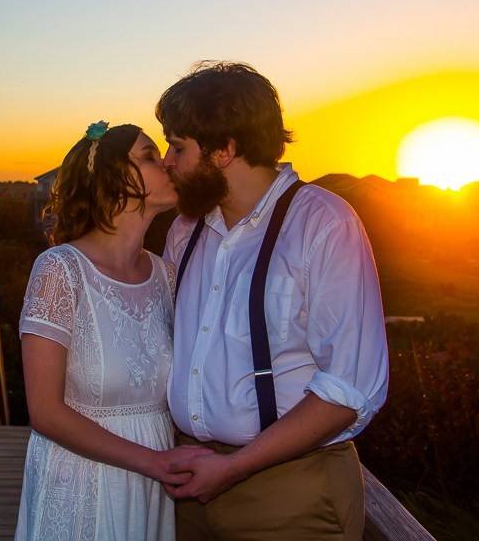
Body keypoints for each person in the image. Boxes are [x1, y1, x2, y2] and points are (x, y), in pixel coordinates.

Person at [156, 62, 390, 540]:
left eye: (178, 147)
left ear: (224, 149)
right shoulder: (186, 231)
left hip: (291, 496)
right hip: (188, 491)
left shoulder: (323, 224)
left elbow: (349, 388)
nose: (167, 161)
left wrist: (236, 466)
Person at [14, 121, 211, 541]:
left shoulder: (167, 276)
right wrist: (152, 462)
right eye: (149, 156)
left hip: (155, 484)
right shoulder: (60, 271)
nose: (168, 164)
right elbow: (45, 412)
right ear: (114, 178)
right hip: (84, 480)